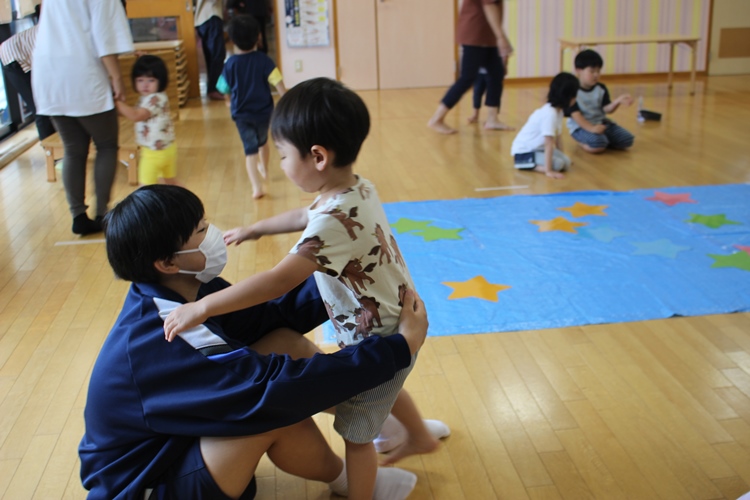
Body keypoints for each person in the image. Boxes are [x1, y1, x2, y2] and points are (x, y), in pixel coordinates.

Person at [164, 78, 448, 499]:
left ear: (317, 156)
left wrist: (203, 308)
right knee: (387, 385)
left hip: (381, 337)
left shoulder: (332, 222)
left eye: (282, 154)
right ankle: (418, 436)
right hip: (394, 317)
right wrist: (257, 228)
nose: (280, 163)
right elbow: (306, 215)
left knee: (356, 437)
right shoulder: (355, 187)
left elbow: (278, 281)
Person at [80, 183, 428, 499]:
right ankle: (351, 480)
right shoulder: (171, 334)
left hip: (172, 444)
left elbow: (267, 318)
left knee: (283, 342)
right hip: (144, 486)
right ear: (168, 263)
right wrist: (396, 348)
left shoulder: (183, 291)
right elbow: (270, 390)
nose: (213, 234)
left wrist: (345, 278)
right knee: (274, 409)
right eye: (201, 230)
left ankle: (380, 423)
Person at [32, 0, 134, 236]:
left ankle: (78, 215)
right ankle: (102, 214)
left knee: (73, 149)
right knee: (106, 145)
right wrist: (117, 78)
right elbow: (105, 38)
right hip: (82, 74)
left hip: (48, 76)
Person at [217, 14, 286, 199]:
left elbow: (223, 87)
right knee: (263, 142)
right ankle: (265, 170)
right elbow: (277, 81)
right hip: (264, 112)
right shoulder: (264, 60)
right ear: (258, 37)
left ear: (232, 40)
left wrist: (227, 100)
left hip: (242, 115)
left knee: (250, 151)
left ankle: (257, 187)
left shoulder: (230, 64)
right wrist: (286, 99)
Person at [428, 0, 514, 134]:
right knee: (467, 78)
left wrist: (497, 37)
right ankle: (436, 119)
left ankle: (492, 119)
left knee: (496, 74)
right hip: (475, 35)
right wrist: (501, 37)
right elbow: (489, 6)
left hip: (486, 37)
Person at [115, 55, 180, 186]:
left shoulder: (154, 99)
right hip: (167, 149)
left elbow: (136, 116)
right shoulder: (153, 97)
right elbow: (134, 113)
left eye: (151, 80)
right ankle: (186, 198)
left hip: (154, 153)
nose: (145, 85)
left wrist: (116, 103)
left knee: (144, 188)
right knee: (171, 183)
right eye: (140, 80)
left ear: (161, 81)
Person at [510, 72, 580, 179]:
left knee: (566, 162)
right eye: (574, 95)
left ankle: (538, 163)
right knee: (558, 164)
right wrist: (549, 171)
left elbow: (558, 137)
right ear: (567, 97)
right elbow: (549, 143)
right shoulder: (550, 114)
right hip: (524, 152)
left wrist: (563, 156)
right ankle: (523, 163)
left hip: (538, 149)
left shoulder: (559, 112)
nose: (575, 99)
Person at [0, 8, 55, 142]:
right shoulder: (57, 33)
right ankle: (50, 149)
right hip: (13, 57)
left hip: (26, 55)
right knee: (39, 107)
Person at [566, 49, 635, 153]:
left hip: (601, 123)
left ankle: (603, 140)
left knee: (627, 140)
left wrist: (617, 101)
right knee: (598, 145)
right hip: (581, 127)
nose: (596, 75)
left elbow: (606, 109)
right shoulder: (572, 91)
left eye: (598, 71)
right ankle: (584, 142)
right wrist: (591, 128)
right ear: (578, 70)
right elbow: (576, 116)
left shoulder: (601, 88)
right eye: (592, 71)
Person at [195, 0, 226, 100]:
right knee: (218, 54)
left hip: (203, 18)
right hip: (211, 14)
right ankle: (214, 89)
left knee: (211, 56)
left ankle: (213, 87)